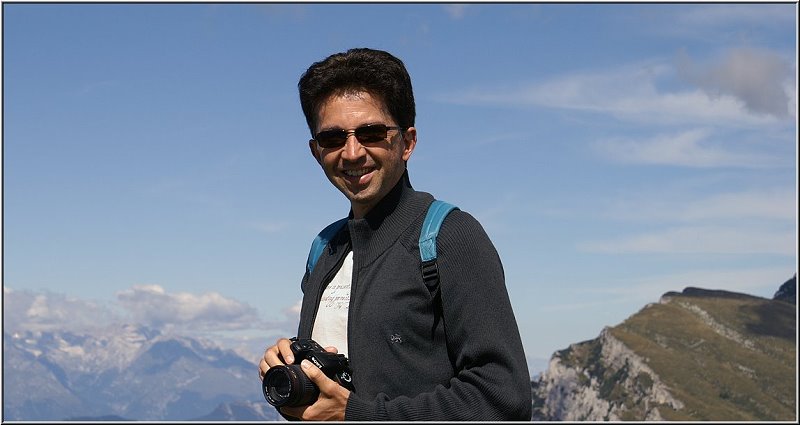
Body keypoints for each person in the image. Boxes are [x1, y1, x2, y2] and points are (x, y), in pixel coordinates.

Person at [258, 47, 531, 421]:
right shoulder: (325, 249)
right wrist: (293, 375)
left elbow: (504, 400)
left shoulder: (451, 236)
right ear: (315, 151)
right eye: (332, 139)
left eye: (371, 133)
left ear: (408, 142)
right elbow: (330, 404)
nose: (352, 153)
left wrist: (357, 415)